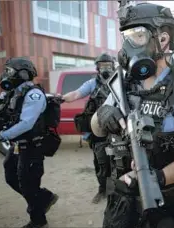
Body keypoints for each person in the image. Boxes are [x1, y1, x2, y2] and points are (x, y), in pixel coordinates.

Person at [90, 2, 174, 228]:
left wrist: (159, 178)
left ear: (162, 39)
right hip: (121, 206)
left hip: (169, 207)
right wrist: (103, 115)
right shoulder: (123, 85)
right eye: (127, 36)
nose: (129, 44)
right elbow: (95, 128)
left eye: (138, 35)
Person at [0, 57, 58, 228]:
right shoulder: (15, 93)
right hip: (17, 146)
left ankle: (38, 220)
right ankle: (44, 197)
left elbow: (26, 123)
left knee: (28, 183)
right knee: (11, 176)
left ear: (23, 73)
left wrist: (2, 135)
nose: (6, 75)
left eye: (10, 71)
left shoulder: (34, 94)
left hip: (32, 147)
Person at [59, 53, 115, 203]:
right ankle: (102, 189)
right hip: (98, 128)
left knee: (121, 160)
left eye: (108, 65)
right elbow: (77, 93)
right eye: (102, 65)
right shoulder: (92, 83)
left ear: (113, 66)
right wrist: (61, 98)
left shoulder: (120, 81)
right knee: (100, 161)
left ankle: (118, 192)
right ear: (97, 67)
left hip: (117, 127)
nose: (106, 68)